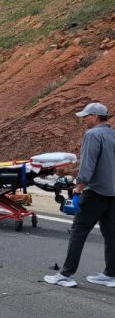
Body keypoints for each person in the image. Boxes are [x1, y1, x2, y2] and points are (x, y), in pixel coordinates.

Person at [45, 103, 115, 288]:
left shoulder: (93, 135)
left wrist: (78, 188)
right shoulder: (112, 134)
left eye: (86, 116)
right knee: (111, 234)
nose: (83, 120)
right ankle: (111, 274)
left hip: (96, 191)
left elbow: (87, 165)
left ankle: (66, 275)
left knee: (78, 232)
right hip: (113, 192)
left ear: (95, 117)